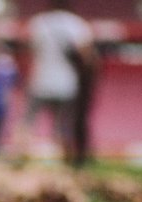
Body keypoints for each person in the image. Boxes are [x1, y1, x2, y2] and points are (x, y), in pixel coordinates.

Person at [24, 0, 97, 166]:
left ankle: (20, 157)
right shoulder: (77, 24)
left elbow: (31, 50)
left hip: (40, 80)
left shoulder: (38, 22)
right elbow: (86, 57)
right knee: (64, 125)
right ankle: (67, 161)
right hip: (66, 84)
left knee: (28, 121)